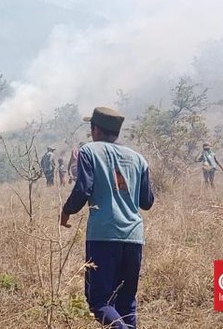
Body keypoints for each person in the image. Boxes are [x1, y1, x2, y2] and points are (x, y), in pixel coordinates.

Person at [60, 107, 155, 329]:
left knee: (99, 302)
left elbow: (83, 190)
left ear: (95, 129)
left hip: (103, 235)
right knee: (126, 302)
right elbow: (147, 202)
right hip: (134, 237)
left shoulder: (89, 151)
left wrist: (66, 212)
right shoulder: (138, 159)